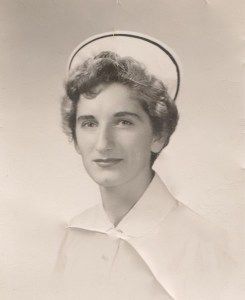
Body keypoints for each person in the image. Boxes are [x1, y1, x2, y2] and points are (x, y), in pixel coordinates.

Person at [54, 32, 233, 300]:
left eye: (123, 121)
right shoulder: (74, 235)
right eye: (89, 123)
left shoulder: (206, 246)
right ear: (76, 138)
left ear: (158, 135)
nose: (103, 143)